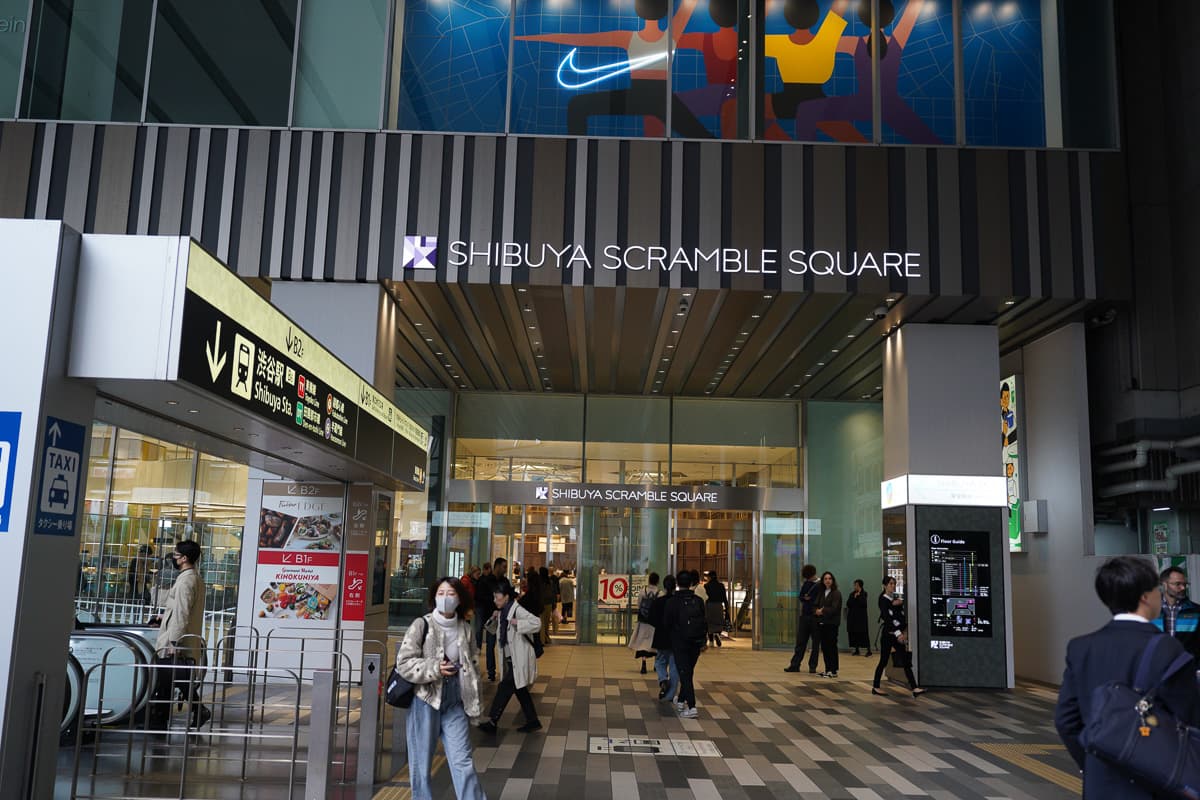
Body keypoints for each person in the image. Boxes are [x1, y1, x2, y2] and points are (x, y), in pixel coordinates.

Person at [1055, 556, 1200, 798]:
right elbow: (1190, 717)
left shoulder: (1081, 648)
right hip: (1154, 780)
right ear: (1145, 597)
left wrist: (1092, 762)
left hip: (1100, 782)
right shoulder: (1167, 648)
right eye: (1156, 588)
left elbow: (1066, 720)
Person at [396, 578, 485, 800]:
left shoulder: (465, 628)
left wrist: (475, 697)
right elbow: (404, 663)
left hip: (455, 701)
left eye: (451, 593)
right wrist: (435, 668)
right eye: (441, 593)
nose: (446, 598)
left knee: (463, 761)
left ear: (460, 599)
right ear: (434, 596)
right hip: (425, 700)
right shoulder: (421, 625)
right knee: (421, 764)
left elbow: (473, 663)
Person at [153, 540, 209, 728]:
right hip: (185, 637)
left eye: (176, 555)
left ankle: (163, 718)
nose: (174, 558)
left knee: (171, 675)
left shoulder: (186, 580)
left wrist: (174, 641)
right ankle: (161, 717)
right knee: (175, 678)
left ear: (184, 558)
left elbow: (182, 612)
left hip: (178, 640)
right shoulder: (195, 578)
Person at [479, 582, 543, 734]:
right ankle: (533, 720)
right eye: (494, 597)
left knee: (504, 688)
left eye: (497, 597)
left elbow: (537, 623)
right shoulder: (502, 612)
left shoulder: (517, 610)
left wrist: (518, 623)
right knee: (520, 690)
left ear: (506, 596)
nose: (495, 600)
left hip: (519, 658)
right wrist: (493, 618)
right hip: (510, 657)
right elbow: (492, 630)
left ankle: (493, 721)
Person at [662, 570, 707, 718]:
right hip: (696, 643)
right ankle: (681, 701)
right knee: (687, 672)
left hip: (680, 642)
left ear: (677, 584)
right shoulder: (698, 600)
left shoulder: (672, 602)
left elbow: (666, 623)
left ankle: (692, 706)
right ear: (691, 583)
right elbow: (704, 622)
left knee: (685, 674)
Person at [872, 576, 924, 697]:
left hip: (897, 635)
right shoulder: (883, 599)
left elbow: (898, 615)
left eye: (894, 584)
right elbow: (888, 618)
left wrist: (902, 631)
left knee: (905, 660)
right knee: (883, 660)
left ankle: (914, 687)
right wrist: (898, 633)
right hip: (889, 635)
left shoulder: (893, 599)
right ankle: (876, 686)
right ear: (885, 585)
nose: (893, 586)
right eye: (890, 584)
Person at [1153, 566, 1199, 656]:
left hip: (1186, 666)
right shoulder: (1150, 610)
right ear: (1164, 585)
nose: (1183, 588)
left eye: (1185, 584)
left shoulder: (1195, 611)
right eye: (1178, 584)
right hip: (1157, 665)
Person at [479, 557, 512, 682]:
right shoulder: (486, 581)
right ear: (497, 566)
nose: (505, 569)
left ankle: (507, 671)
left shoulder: (505, 581)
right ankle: (491, 672)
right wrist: (494, 603)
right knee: (491, 644)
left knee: (506, 644)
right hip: (491, 617)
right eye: (504, 566)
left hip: (504, 617)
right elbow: (480, 597)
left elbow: (510, 595)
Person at [785, 564, 821, 673]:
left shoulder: (819, 585)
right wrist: (806, 598)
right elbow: (801, 596)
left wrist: (807, 599)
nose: (808, 579)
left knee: (815, 644)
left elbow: (815, 600)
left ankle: (812, 666)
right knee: (801, 642)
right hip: (805, 616)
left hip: (815, 617)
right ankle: (795, 664)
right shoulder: (807, 583)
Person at [650, 575, 678, 702]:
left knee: (660, 662)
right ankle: (670, 695)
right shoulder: (678, 601)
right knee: (673, 665)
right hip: (675, 638)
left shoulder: (658, 601)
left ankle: (662, 680)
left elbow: (652, 619)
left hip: (661, 636)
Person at [629, 572, 660, 673]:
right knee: (654, 643)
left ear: (649, 580)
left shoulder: (643, 591)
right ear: (658, 581)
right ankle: (656, 664)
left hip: (643, 621)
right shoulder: (660, 593)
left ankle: (643, 663)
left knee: (643, 642)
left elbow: (639, 605)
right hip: (654, 622)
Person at [815, 571, 843, 678]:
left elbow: (834, 608)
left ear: (833, 580)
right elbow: (815, 605)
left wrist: (822, 610)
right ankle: (827, 669)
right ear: (823, 581)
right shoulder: (822, 592)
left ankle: (833, 670)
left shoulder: (836, 593)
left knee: (831, 646)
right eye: (825, 579)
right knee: (825, 647)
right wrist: (816, 610)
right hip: (822, 623)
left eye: (829, 578)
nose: (827, 580)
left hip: (832, 624)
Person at [846, 579, 872, 657]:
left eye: (856, 585)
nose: (855, 586)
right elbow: (848, 604)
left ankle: (869, 651)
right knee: (854, 633)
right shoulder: (852, 594)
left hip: (861, 618)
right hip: (853, 618)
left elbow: (863, 604)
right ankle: (857, 650)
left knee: (864, 633)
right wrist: (854, 597)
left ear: (860, 586)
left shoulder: (864, 593)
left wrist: (859, 596)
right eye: (854, 585)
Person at [703, 571, 728, 649]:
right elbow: (724, 597)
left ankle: (711, 641)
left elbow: (705, 597)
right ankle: (717, 634)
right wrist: (727, 608)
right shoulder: (721, 586)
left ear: (709, 577)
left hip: (709, 605)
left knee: (709, 623)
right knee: (718, 622)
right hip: (718, 606)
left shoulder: (706, 586)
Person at [472, 562, 494, 653]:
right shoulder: (484, 580)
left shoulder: (480, 580)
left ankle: (479, 646)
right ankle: (479, 646)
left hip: (482, 606)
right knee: (481, 627)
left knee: (480, 627)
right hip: (483, 606)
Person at [539, 566, 555, 645]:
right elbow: (552, 593)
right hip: (548, 604)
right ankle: (546, 638)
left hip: (541, 603)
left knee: (541, 622)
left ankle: (542, 640)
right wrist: (553, 604)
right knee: (546, 622)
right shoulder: (550, 582)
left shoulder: (539, 582)